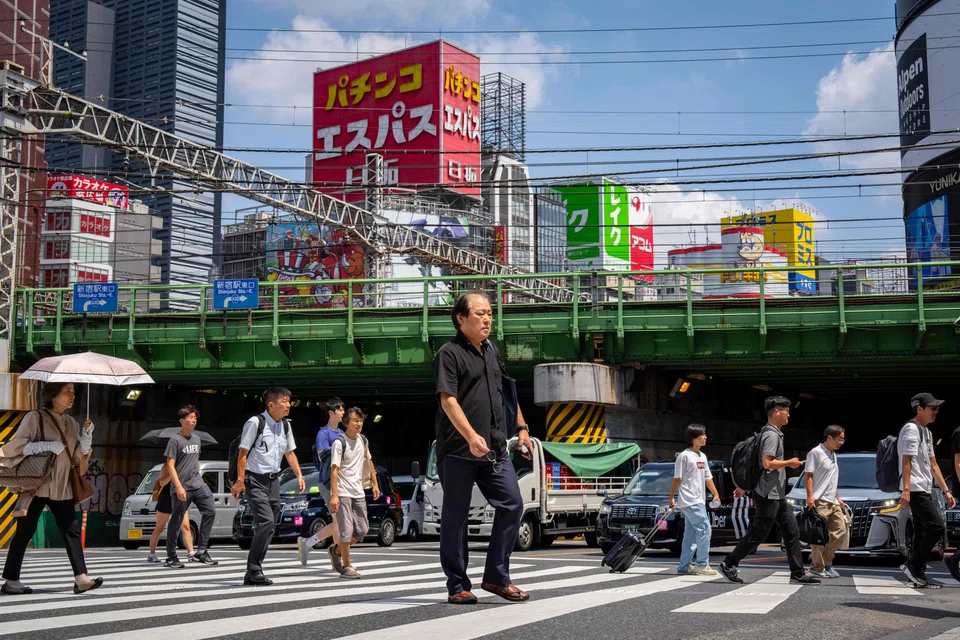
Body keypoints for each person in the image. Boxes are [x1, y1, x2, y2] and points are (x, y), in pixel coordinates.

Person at [434, 290, 533, 605]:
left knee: (513, 504)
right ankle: (457, 585)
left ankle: (496, 577)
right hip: (458, 451)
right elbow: (447, 399)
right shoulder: (448, 354)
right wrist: (469, 436)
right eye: (480, 313)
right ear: (461, 318)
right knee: (456, 516)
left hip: (494, 450)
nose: (488, 318)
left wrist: (521, 428)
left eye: (490, 312)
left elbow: (507, 392)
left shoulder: (491, 350)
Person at [0, 382, 102, 594]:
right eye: (67, 391)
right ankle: (11, 581)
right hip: (36, 485)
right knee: (24, 531)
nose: (72, 395)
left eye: (74, 392)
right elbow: (15, 447)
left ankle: (81, 578)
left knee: (71, 529)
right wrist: (44, 445)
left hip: (62, 486)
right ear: (53, 394)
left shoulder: (73, 424)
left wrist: (86, 440)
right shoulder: (35, 417)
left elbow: (75, 459)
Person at [718, 396, 820, 585]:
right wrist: (790, 463)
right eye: (786, 410)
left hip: (776, 494)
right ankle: (729, 563)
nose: (789, 414)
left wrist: (745, 487)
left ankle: (797, 572)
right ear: (776, 412)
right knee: (759, 533)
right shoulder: (771, 435)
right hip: (768, 494)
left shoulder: (771, 433)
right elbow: (766, 463)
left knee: (791, 530)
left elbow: (757, 465)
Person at [230, 387, 305, 586]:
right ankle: (254, 570)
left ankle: (253, 571)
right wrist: (240, 480)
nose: (288, 405)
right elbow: (243, 453)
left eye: (289, 401)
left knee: (270, 526)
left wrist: (299, 475)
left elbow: (290, 453)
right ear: (271, 404)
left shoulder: (286, 426)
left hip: (274, 481)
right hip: (254, 480)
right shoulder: (256, 423)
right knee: (265, 522)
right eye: (284, 401)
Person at [898, 393, 955, 588]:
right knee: (936, 526)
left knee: (922, 532)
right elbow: (907, 461)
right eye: (932, 408)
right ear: (919, 408)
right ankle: (913, 565)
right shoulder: (911, 430)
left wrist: (946, 490)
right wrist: (906, 490)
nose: (936, 411)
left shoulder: (927, 432)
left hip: (925, 486)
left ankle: (917, 574)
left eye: (937, 408)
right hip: (914, 488)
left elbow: (933, 464)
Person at [328, 407, 381, 579]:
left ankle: (336, 551)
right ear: (346, 423)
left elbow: (369, 462)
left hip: (358, 490)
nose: (359, 423)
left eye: (361, 420)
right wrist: (334, 495)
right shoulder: (339, 442)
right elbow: (334, 469)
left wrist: (375, 484)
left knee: (362, 530)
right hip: (343, 491)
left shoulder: (363, 440)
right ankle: (347, 566)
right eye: (355, 420)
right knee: (346, 530)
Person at [163, 405, 218, 568]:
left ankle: (201, 551)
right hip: (182, 487)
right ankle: (171, 556)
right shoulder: (174, 440)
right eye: (190, 417)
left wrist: (197, 474)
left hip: (198, 484)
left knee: (210, 511)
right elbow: (170, 465)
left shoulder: (197, 439)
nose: (193, 420)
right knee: (176, 520)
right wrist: (178, 486)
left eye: (195, 417)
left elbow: (196, 459)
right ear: (182, 421)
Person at [297, 397, 346, 571]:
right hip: (327, 482)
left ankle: (309, 543)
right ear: (331, 412)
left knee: (340, 522)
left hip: (342, 483)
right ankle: (339, 558)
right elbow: (322, 456)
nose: (343, 413)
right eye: (340, 410)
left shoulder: (342, 434)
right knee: (339, 521)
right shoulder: (323, 434)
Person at [668, 423, 720, 576]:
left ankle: (684, 566)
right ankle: (702, 564)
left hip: (699, 500)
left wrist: (715, 494)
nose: (705, 437)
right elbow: (677, 479)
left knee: (690, 534)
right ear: (693, 438)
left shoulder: (702, 456)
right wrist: (671, 497)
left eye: (704, 434)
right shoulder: (684, 456)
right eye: (702, 435)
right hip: (690, 500)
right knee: (705, 529)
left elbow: (707, 477)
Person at [805, 425, 847, 579]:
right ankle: (818, 566)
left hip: (832, 501)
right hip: (819, 500)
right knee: (819, 536)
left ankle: (826, 561)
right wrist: (810, 496)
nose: (841, 442)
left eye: (843, 439)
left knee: (840, 530)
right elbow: (809, 475)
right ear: (829, 437)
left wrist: (837, 498)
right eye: (839, 439)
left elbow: (830, 480)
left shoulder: (832, 454)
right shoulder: (815, 453)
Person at [146, 464, 194, 563]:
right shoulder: (166, 466)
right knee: (159, 527)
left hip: (180, 497)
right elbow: (162, 482)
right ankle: (151, 554)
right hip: (166, 497)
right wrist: (172, 474)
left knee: (185, 526)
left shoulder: (185, 464)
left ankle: (191, 553)